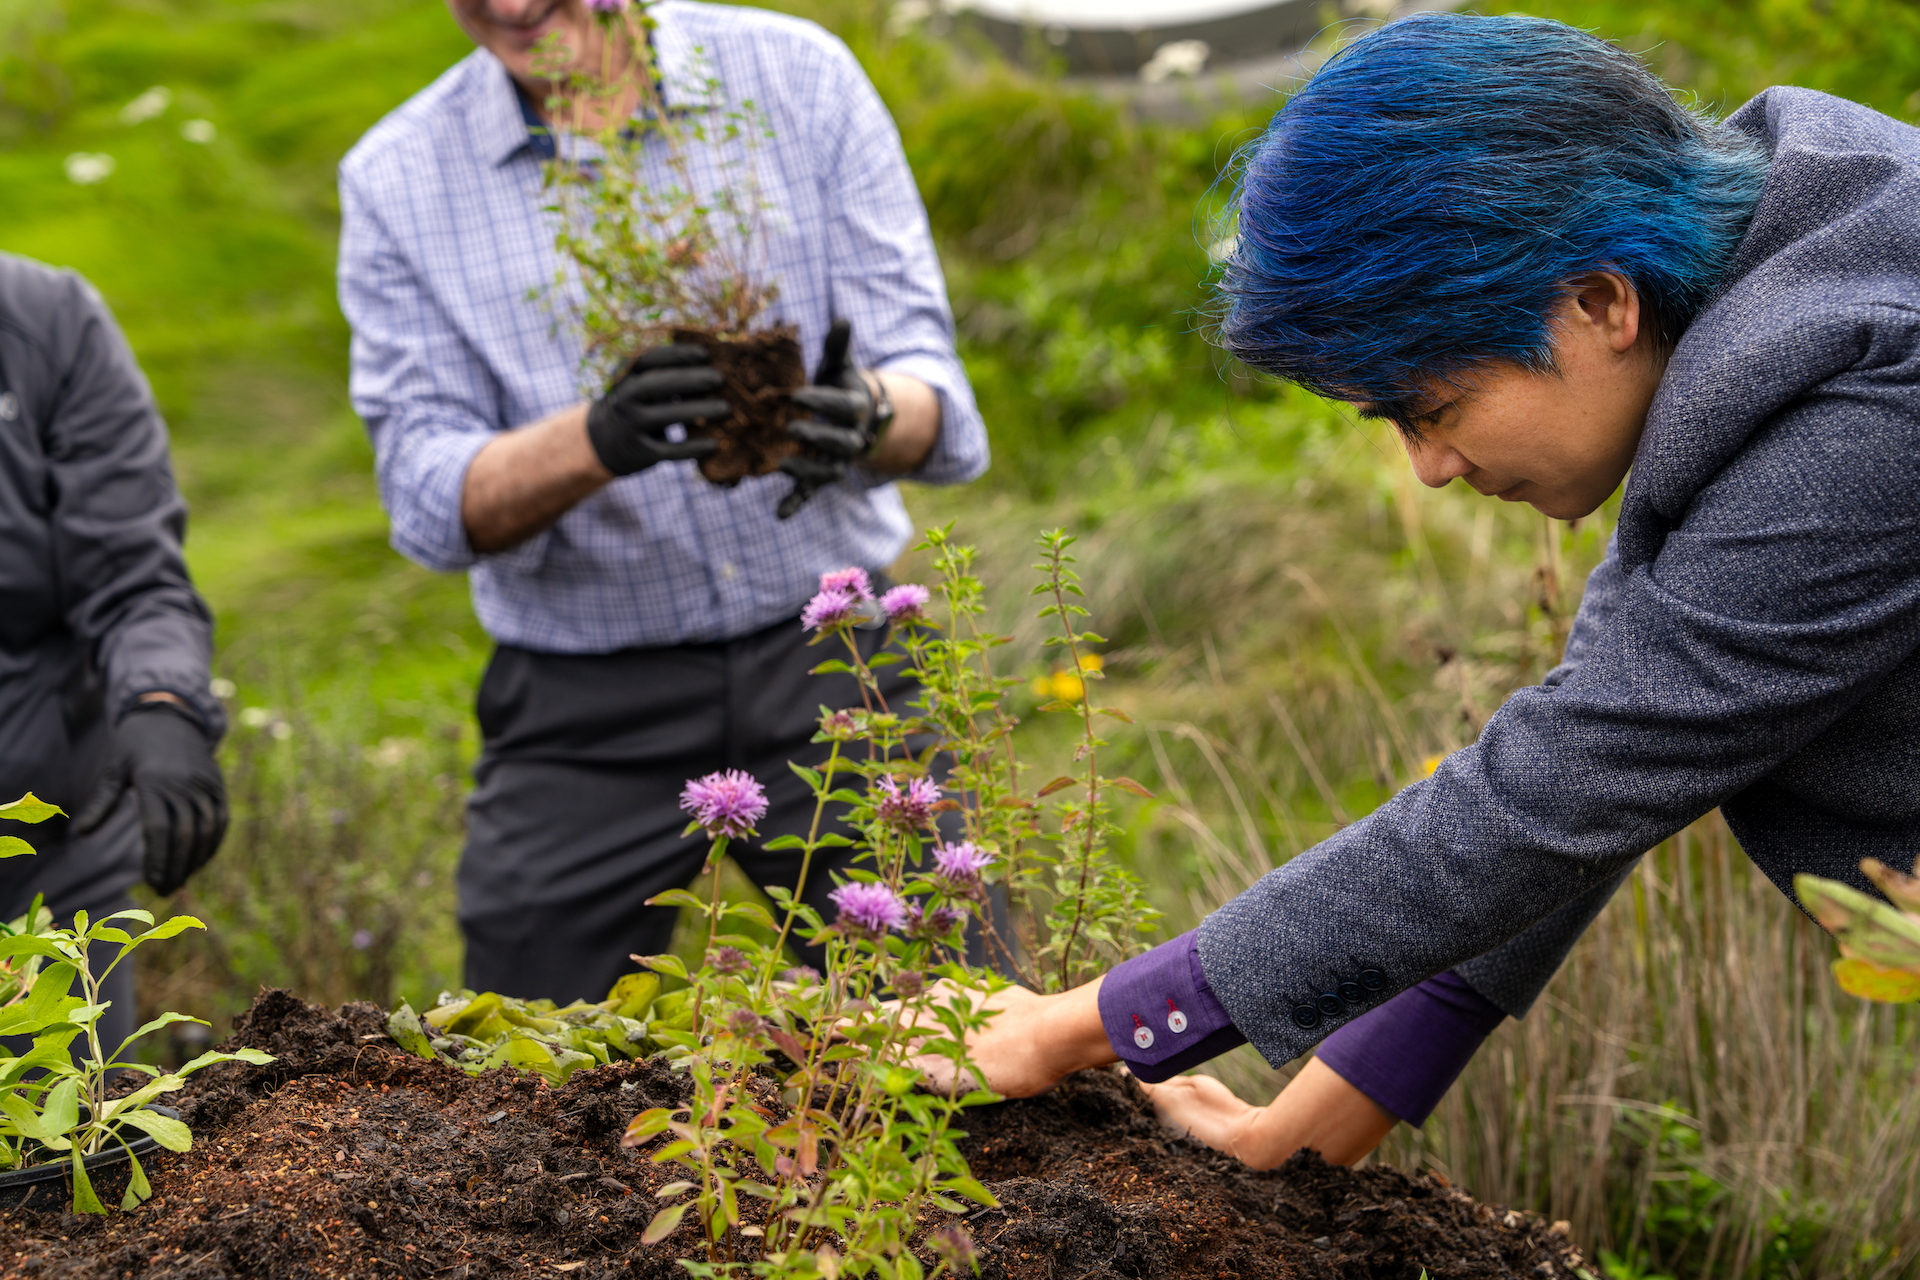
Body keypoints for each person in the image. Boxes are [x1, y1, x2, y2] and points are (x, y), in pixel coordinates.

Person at [929, 12, 1920, 1167]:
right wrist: (1292, 1136)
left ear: (1601, 302)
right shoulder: (1779, 268)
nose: (1431, 468)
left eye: (1432, 406)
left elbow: (1572, 779)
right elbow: (1602, 752)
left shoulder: (1869, 388)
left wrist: (1063, 1029)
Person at [337, 0, 989, 1003]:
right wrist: (593, 440)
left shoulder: (794, 76)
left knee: (968, 1018)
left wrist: (867, 414)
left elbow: (938, 405)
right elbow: (426, 502)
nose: (512, 9)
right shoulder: (397, 179)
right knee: (517, 1061)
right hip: (583, 707)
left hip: (840, 654)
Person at [0, 251, 230, 1053]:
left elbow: (132, 574)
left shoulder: (45, 322)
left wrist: (162, 704)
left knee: (67, 1157)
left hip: (47, 865)